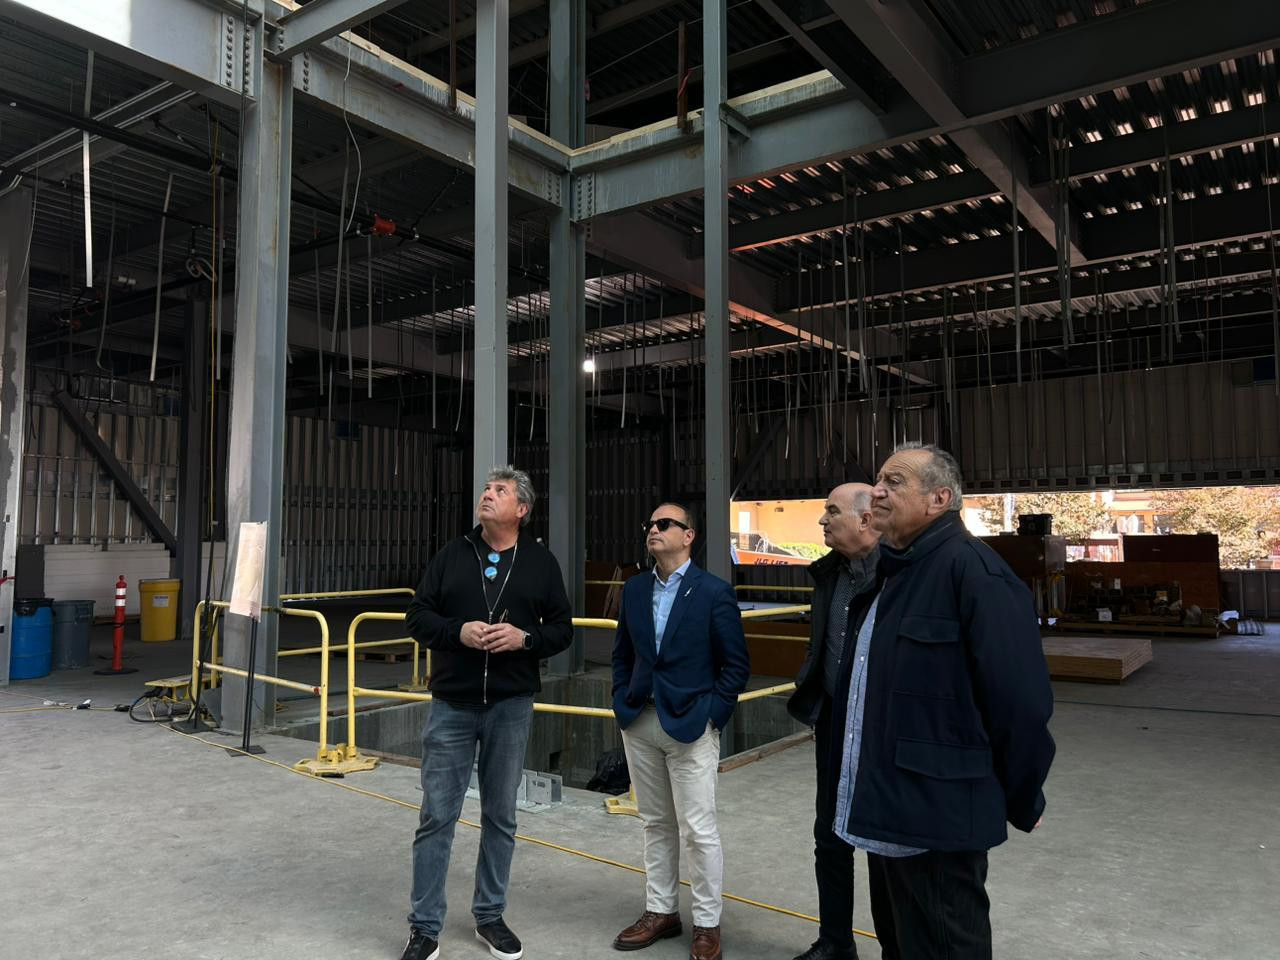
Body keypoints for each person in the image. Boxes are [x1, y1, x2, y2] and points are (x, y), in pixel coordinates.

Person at [829, 442, 1055, 960]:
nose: (876, 491)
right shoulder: (894, 572)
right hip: (889, 809)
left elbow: (1020, 705)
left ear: (939, 499)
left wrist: (1022, 797)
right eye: (878, 480)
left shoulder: (974, 574)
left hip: (938, 818)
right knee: (901, 945)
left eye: (894, 482)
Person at [400, 466, 573, 960]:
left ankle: (490, 916)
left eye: (500, 491)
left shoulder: (540, 563)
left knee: (500, 816)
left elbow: (562, 629)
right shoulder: (453, 554)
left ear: (522, 509)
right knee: (437, 816)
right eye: (486, 489)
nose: (487, 495)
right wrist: (457, 631)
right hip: (452, 705)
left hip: (510, 707)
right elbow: (418, 616)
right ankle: (424, 927)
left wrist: (526, 639)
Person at [611, 503, 750, 960]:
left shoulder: (712, 592)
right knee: (655, 823)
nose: (653, 529)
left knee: (698, 829)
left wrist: (712, 716)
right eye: (649, 524)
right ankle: (661, 911)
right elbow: (622, 653)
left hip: (691, 724)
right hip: (640, 720)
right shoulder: (635, 589)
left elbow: (735, 665)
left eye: (664, 524)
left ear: (689, 535)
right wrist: (620, 698)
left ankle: (707, 923)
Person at [785, 484, 881, 960]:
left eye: (831, 511)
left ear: (866, 520)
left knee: (885, 843)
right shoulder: (829, 574)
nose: (822, 520)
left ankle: (897, 945)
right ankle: (835, 943)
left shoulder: (896, 575)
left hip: (880, 729)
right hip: (832, 723)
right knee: (830, 836)